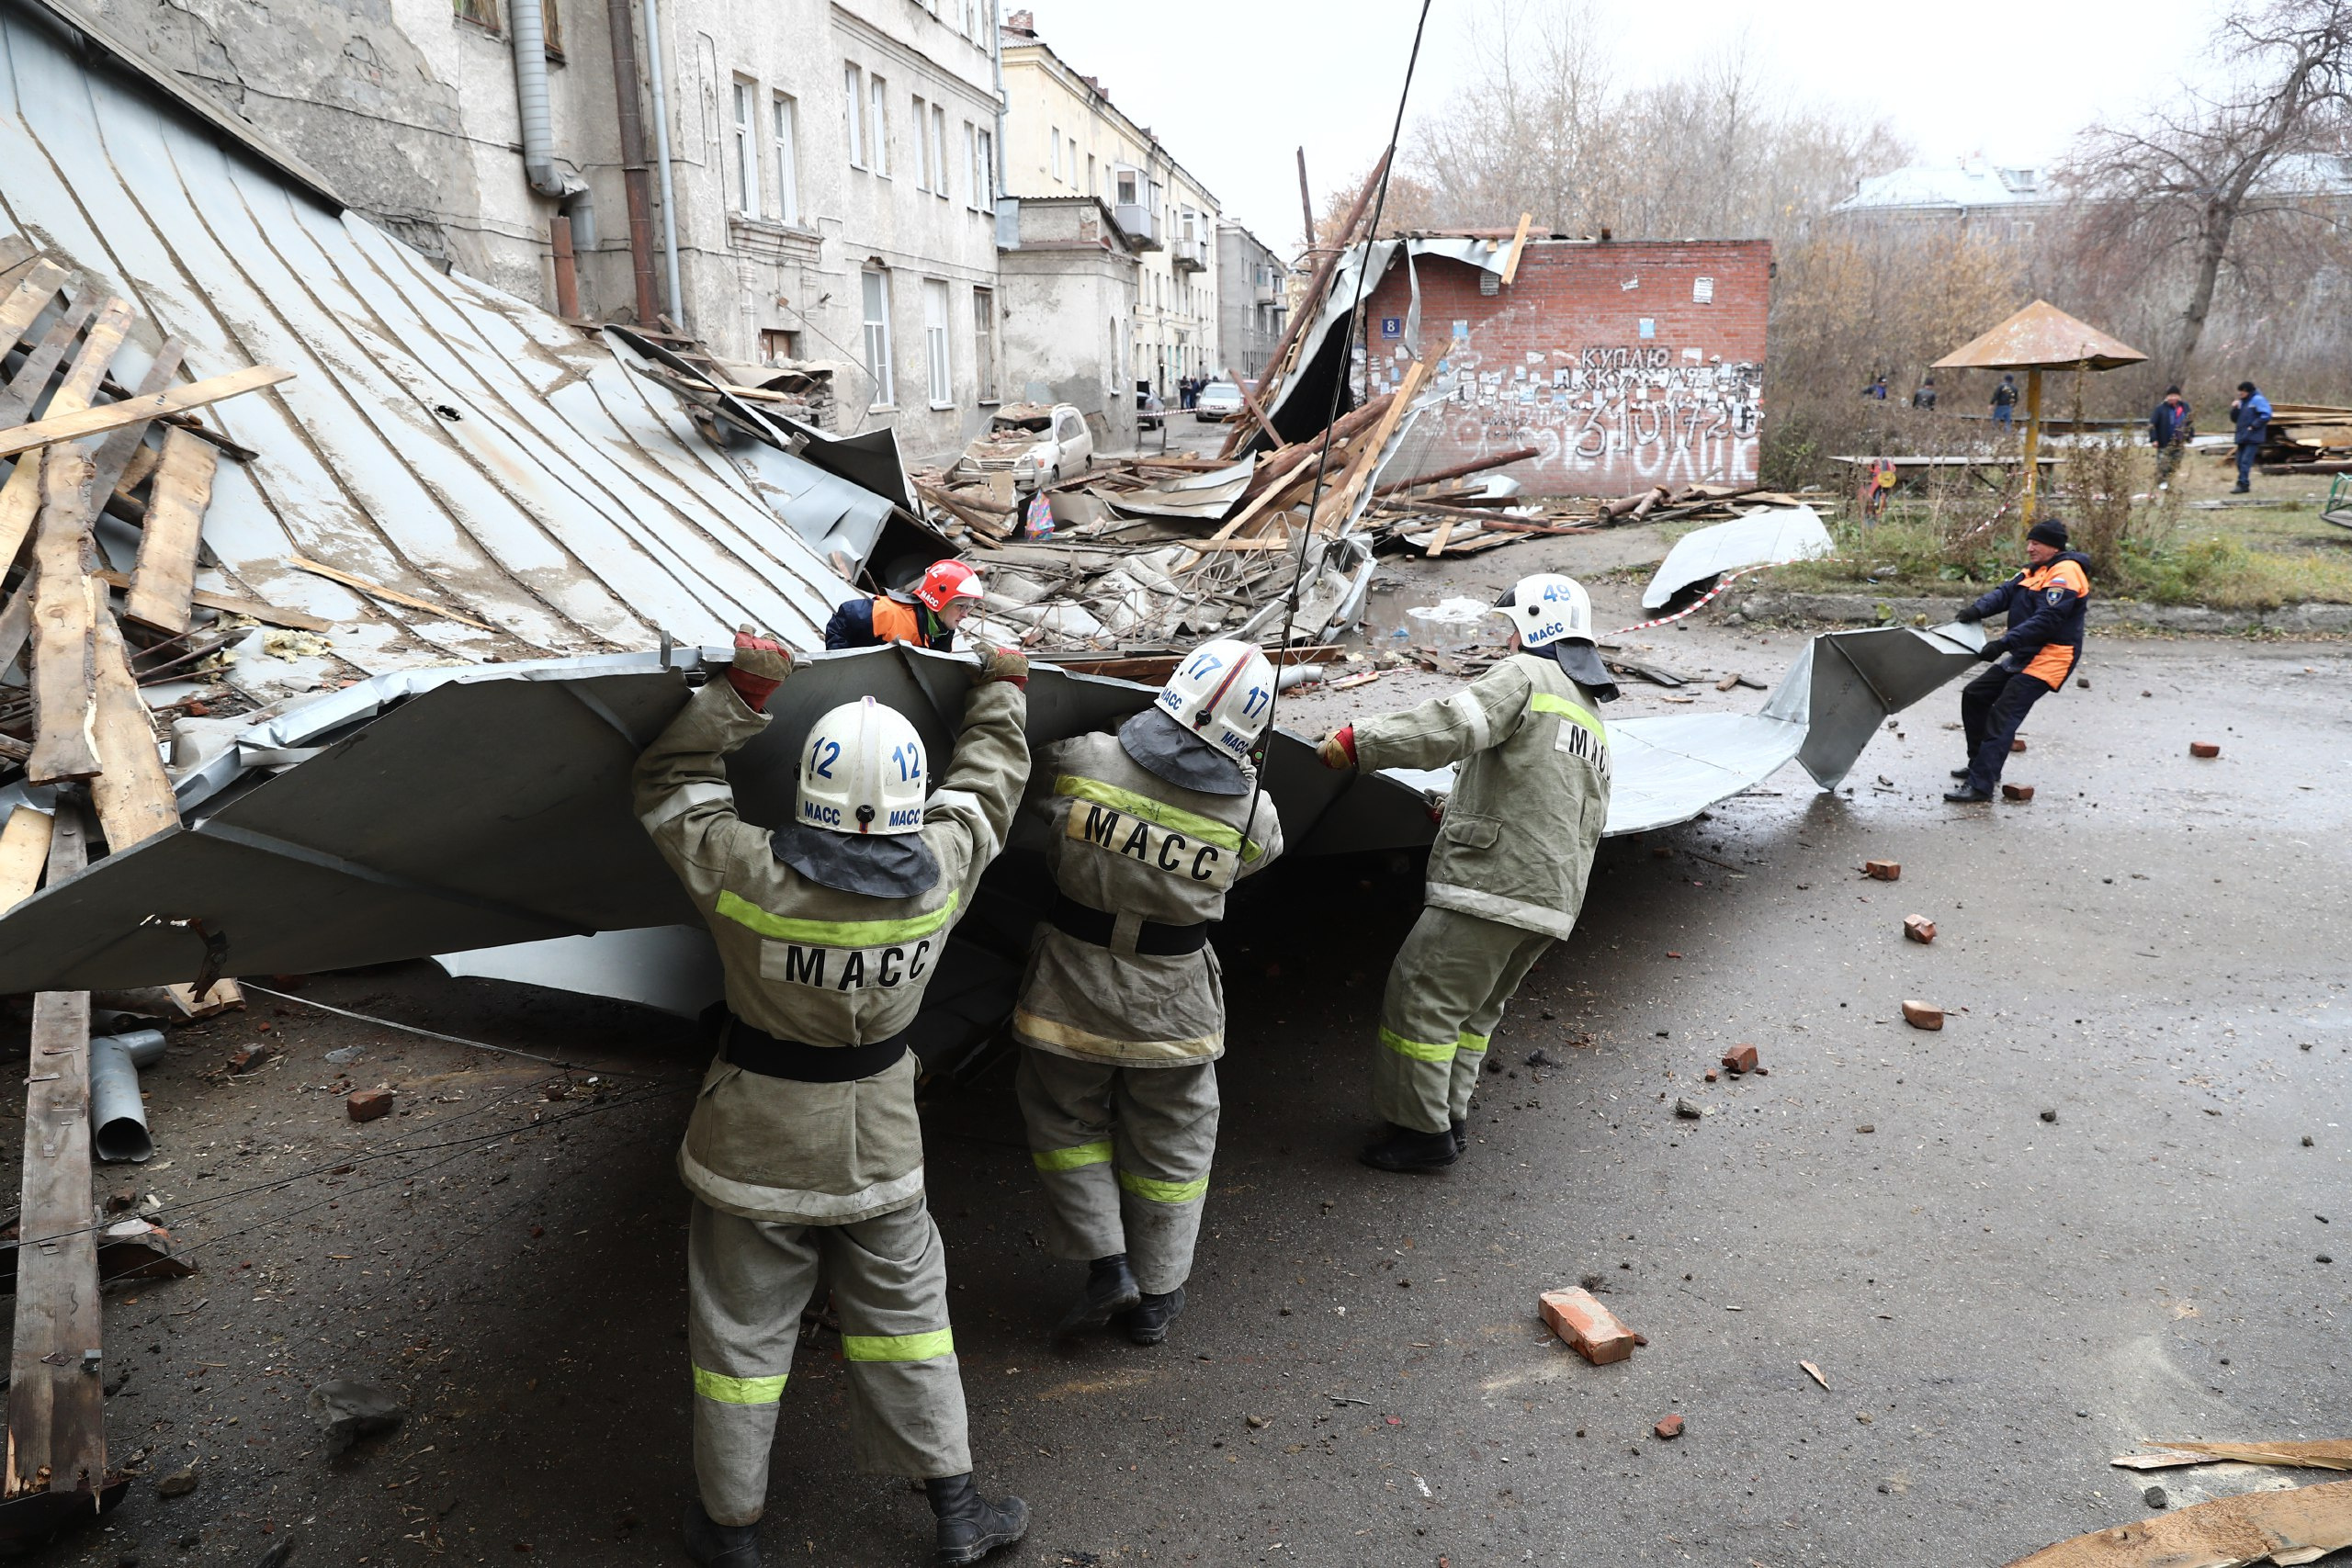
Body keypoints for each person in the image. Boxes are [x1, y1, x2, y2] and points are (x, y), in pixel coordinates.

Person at [634, 628, 1035, 1568]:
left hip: (753, 1140)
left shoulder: (745, 869)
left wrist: (744, 690)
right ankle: (957, 1511)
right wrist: (1003, 687)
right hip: (880, 1145)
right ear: (908, 800)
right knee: (909, 1321)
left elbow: (670, 783)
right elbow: (989, 786)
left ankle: (732, 1531)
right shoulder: (943, 864)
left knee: (740, 1337)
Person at [1012, 639, 1285, 1349]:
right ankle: (1157, 1298)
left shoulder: (1084, 759)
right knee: (1175, 1143)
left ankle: (1108, 1265)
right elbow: (1259, 859)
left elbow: (1027, 787)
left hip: (1070, 987)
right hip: (1175, 1004)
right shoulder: (1252, 814)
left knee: (1065, 1120)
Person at [1318, 573, 1616, 1172]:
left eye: (1513, 627)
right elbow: (1547, 796)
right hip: (1550, 899)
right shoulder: (1589, 714)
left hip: (1492, 885)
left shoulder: (1526, 677)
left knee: (1422, 993)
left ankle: (1420, 1132)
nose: (1508, 640)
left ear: (1537, 625)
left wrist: (1361, 741)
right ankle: (1447, 1118)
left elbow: (1453, 725)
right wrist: (1457, 807)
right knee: (1473, 1012)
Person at [1943, 519, 2090, 805]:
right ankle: (1981, 766)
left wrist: (2002, 644)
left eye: (2036, 543)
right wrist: (1976, 610)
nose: (2029, 547)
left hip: (2052, 654)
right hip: (2026, 652)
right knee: (1975, 694)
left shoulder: (2066, 573)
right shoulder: (2036, 570)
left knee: (2004, 712)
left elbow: (2046, 621)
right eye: (2029, 542)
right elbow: (2005, 593)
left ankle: (1981, 786)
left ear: (2053, 546)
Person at [824, 560, 984, 652]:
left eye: (968, 607)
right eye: (961, 606)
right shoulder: (891, 614)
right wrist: (840, 663)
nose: (965, 615)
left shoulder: (941, 631)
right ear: (939, 602)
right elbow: (846, 616)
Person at [2231, 379, 2272, 493]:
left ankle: (2242, 484)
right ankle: (2245, 484)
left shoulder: (2257, 400)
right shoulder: (2242, 402)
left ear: (2248, 391)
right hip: (2242, 436)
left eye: (2242, 392)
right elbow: (2235, 419)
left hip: (2253, 436)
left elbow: (2266, 415)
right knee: (2239, 461)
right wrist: (2234, 409)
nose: (2240, 394)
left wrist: (2253, 426)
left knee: (2245, 461)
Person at [2150, 386, 2193, 487]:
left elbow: (2190, 421)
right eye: (2170, 396)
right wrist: (2154, 439)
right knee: (2163, 464)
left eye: (2175, 396)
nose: (2173, 398)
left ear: (2179, 396)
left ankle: (2169, 482)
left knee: (2175, 463)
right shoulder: (2160, 409)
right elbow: (2152, 424)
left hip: (2179, 441)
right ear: (2167, 397)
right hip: (2164, 441)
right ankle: (2160, 483)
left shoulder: (2185, 407)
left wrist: (2190, 435)